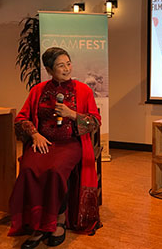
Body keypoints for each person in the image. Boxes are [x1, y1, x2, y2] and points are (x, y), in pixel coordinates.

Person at [8, 47, 101, 249]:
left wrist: (72, 114)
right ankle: (37, 225)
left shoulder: (83, 90)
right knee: (28, 169)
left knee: (55, 171)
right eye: (60, 65)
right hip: (43, 142)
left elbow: (95, 122)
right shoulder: (38, 90)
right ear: (50, 70)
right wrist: (34, 134)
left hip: (70, 144)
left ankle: (58, 220)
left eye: (68, 63)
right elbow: (21, 118)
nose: (67, 68)